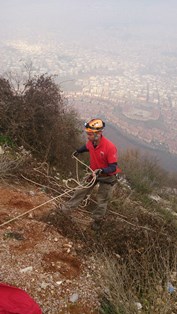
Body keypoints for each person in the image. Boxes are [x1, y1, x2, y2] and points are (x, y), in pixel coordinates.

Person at [61, 118, 121, 231]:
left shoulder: (110, 147)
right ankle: (66, 209)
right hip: (94, 173)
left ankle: (97, 221)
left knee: (102, 200)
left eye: (90, 134)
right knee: (81, 190)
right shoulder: (91, 142)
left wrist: (102, 170)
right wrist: (78, 151)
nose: (88, 136)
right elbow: (86, 147)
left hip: (107, 177)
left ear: (98, 134)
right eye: (87, 134)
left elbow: (113, 166)